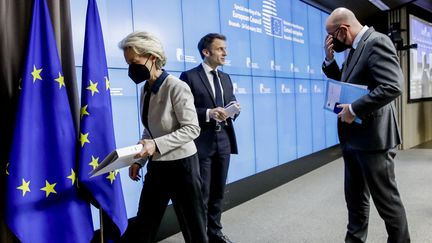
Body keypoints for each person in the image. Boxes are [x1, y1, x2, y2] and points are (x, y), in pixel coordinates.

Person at [322, 8, 410, 243]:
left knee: (387, 203)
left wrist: (354, 109)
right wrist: (329, 61)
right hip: (352, 139)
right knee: (355, 201)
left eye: (332, 36)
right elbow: (346, 83)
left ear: (343, 30)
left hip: (374, 139)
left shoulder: (377, 42)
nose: (331, 41)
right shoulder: (352, 50)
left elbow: (392, 86)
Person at [119, 31, 207, 243]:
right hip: (157, 166)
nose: (131, 67)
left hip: (183, 166)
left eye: (134, 61)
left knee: (193, 227)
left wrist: (155, 145)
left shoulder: (177, 87)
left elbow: (192, 129)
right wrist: (139, 160)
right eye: (128, 63)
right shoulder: (146, 89)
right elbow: (150, 129)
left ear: (153, 57)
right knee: (144, 225)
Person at [180, 33, 240, 243]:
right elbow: (183, 111)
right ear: (206, 52)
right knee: (202, 194)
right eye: (220, 49)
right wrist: (208, 113)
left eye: (225, 48)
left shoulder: (225, 77)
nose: (225, 53)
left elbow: (230, 101)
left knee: (218, 192)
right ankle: (201, 236)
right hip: (201, 142)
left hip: (224, 139)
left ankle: (215, 232)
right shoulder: (188, 77)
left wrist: (234, 108)